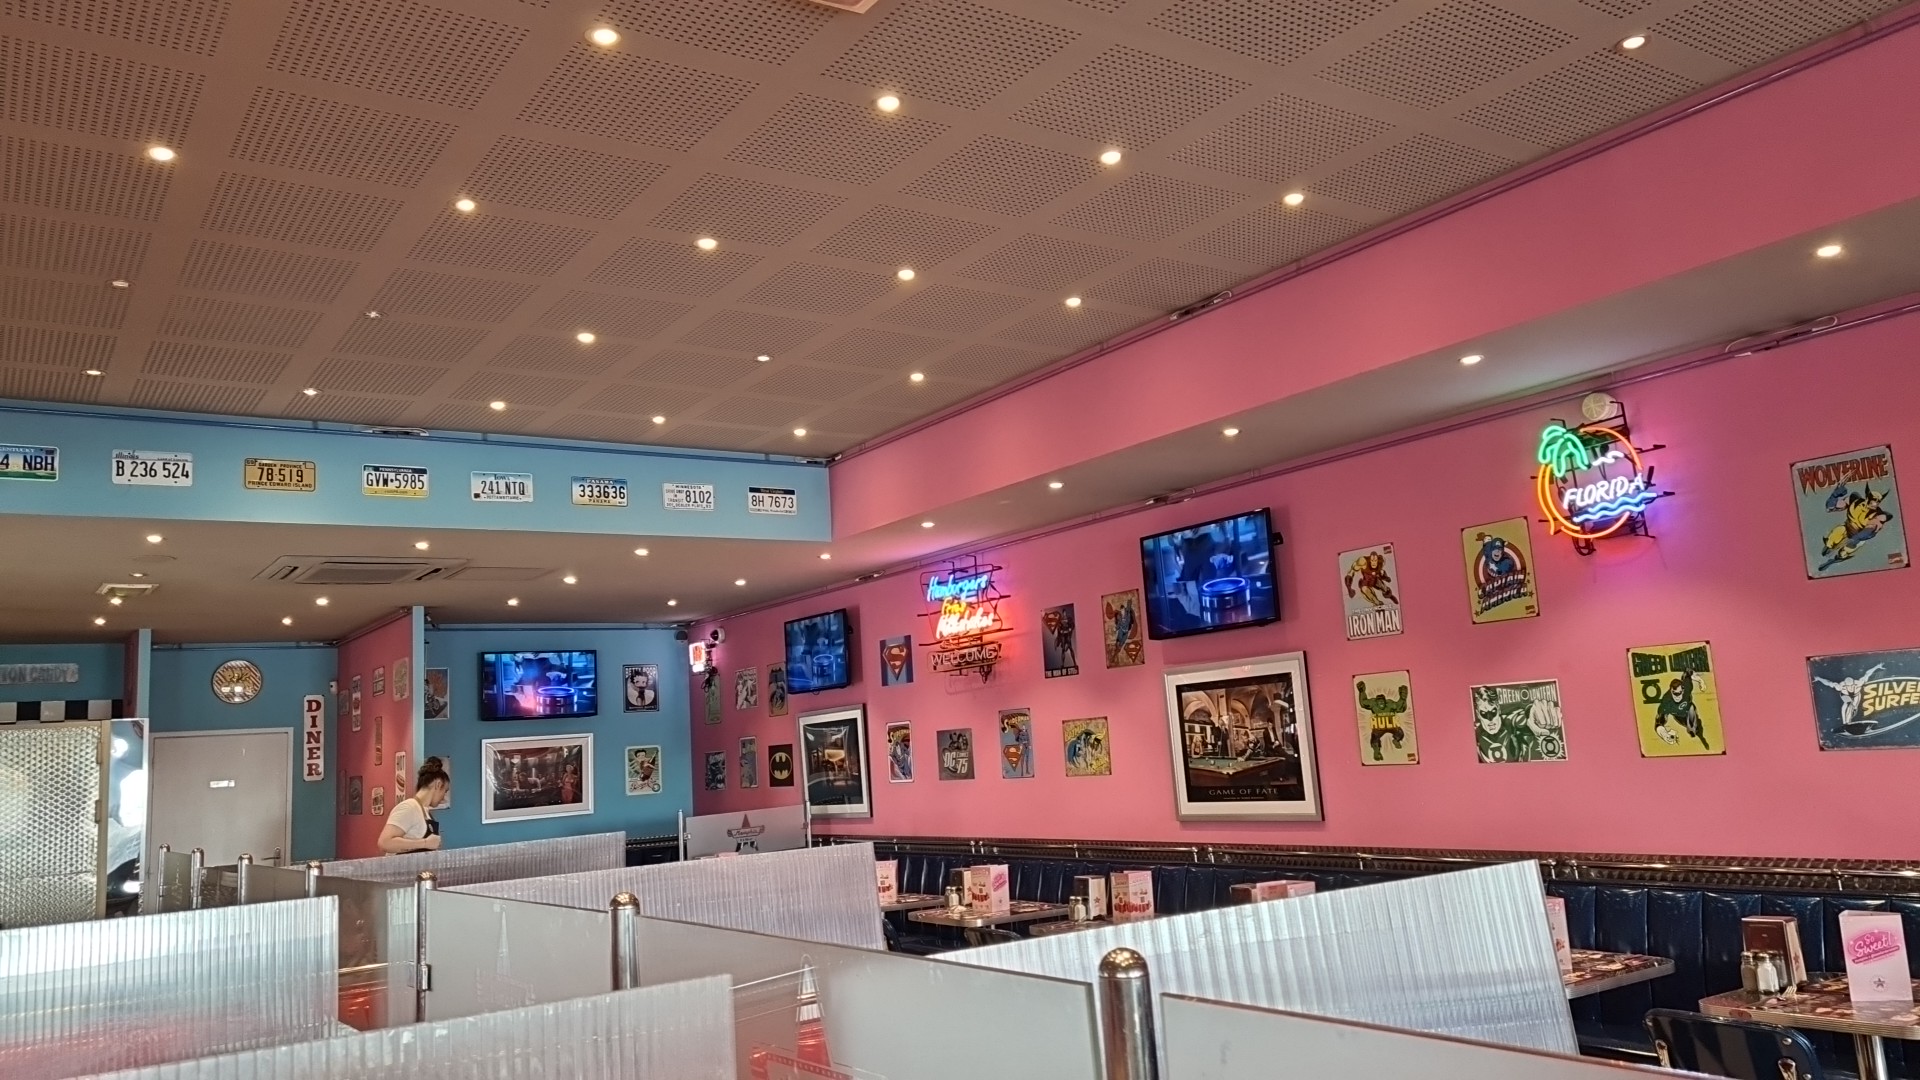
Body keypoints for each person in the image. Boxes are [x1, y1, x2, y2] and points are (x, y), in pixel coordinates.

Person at [379, 756, 449, 854]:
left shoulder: (426, 813)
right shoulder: (409, 807)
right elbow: (385, 843)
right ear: (438, 784)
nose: (443, 798)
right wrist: (425, 843)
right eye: (445, 791)